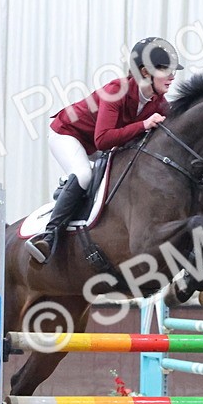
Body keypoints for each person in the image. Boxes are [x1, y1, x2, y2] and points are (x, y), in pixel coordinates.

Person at [25, 37, 183, 264]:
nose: (172, 77)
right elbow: (102, 140)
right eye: (165, 71)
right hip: (69, 134)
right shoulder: (116, 90)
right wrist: (143, 125)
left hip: (99, 143)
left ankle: (72, 194)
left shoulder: (158, 102)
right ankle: (48, 236)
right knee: (83, 175)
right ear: (145, 72)